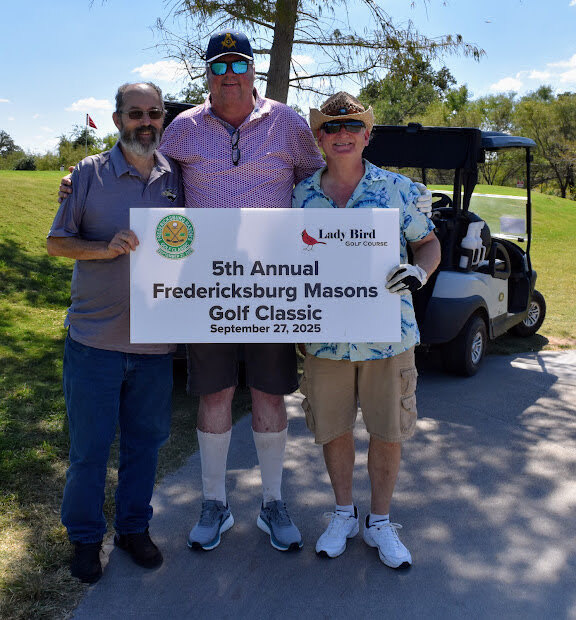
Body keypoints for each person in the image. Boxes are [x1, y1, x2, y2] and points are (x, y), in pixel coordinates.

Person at [292, 92, 441, 568]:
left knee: (387, 431)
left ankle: (380, 521)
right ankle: (343, 515)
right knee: (333, 429)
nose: (342, 135)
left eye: (352, 126)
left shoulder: (398, 189)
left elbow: (428, 244)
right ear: (319, 138)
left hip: (387, 336)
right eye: (331, 128)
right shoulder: (299, 195)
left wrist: (420, 272)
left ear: (367, 135)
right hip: (325, 337)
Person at [48, 82, 184, 583]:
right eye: (135, 114)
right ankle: (85, 538)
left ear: (163, 118)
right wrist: (103, 249)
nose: (145, 122)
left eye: (154, 113)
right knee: (89, 451)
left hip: (155, 344)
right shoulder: (87, 174)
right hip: (95, 342)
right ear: (117, 119)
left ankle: (132, 528)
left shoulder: (178, 177)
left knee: (145, 445)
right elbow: (57, 243)